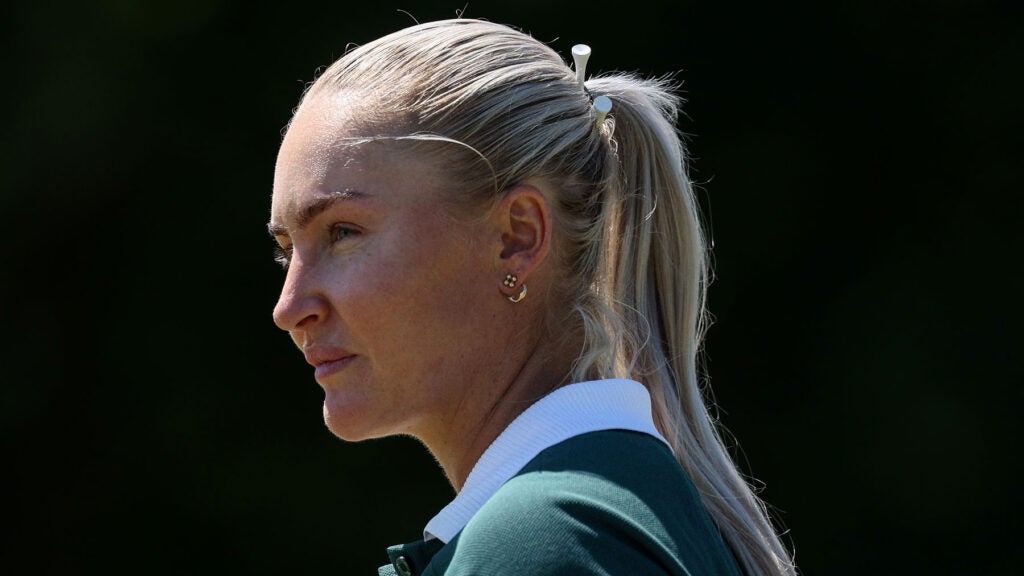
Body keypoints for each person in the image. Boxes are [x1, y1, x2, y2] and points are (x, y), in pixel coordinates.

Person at [269, 18, 797, 576]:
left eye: (343, 232)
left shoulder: (545, 544)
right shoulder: (618, 511)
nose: (289, 307)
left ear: (517, 236)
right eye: (286, 251)